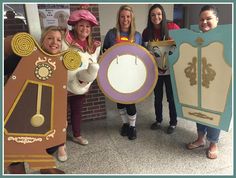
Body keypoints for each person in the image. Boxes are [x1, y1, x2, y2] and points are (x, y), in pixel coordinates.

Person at [4, 26, 67, 174]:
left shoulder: (61, 61)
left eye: (58, 39)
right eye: (50, 38)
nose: (54, 42)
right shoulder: (24, 55)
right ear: (42, 40)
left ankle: (45, 168)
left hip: (44, 112)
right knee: (15, 147)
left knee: (48, 143)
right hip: (18, 111)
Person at [103, 5, 142, 140]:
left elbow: (141, 57)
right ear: (118, 18)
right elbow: (104, 53)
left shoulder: (137, 35)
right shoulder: (111, 34)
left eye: (128, 16)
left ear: (132, 18)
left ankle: (132, 126)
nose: (125, 19)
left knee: (130, 102)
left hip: (131, 75)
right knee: (119, 100)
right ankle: (125, 124)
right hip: (116, 75)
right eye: (122, 16)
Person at [63, 7, 101, 145]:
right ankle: (60, 142)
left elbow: (95, 63)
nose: (84, 28)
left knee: (77, 111)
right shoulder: (64, 41)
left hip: (81, 85)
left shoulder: (94, 46)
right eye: (81, 25)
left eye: (87, 26)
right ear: (75, 25)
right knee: (61, 114)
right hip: (63, 84)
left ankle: (77, 135)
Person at [186, 5, 220, 159]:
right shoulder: (196, 38)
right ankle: (200, 139)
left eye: (208, 19)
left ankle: (213, 143)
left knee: (214, 113)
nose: (204, 22)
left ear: (217, 20)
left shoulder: (226, 38)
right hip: (199, 82)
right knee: (199, 109)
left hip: (218, 85)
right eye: (201, 19)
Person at [142, 4, 180, 134]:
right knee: (157, 97)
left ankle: (173, 122)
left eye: (159, 14)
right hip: (155, 71)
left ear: (163, 15)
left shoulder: (172, 27)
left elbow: (181, 45)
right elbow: (144, 51)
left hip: (171, 72)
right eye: (153, 15)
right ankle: (158, 120)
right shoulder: (147, 32)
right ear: (149, 17)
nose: (156, 17)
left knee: (171, 98)